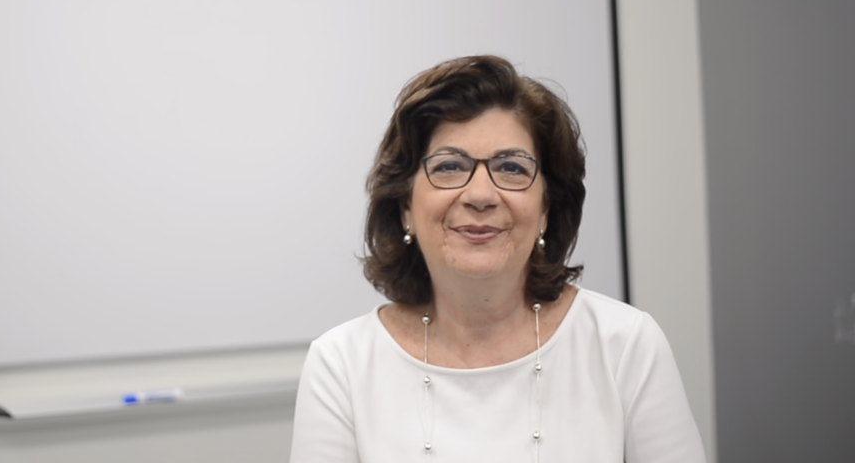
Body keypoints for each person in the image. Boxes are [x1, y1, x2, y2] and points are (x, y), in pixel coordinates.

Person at [289, 56, 706, 462]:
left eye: (511, 168)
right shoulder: (341, 364)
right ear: (405, 207)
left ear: (545, 206)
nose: (481, 196)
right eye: (450, 166)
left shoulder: (624, 346)